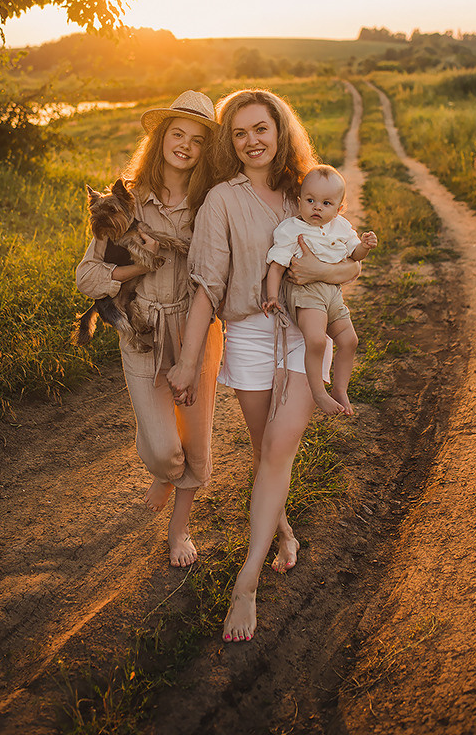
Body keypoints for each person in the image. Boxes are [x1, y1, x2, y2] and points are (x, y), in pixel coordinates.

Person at [166, 89, 361, 641]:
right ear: (230, 143)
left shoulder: (306, 187)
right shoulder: (221, 202)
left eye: (262, 129)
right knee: (263, 451)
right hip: (249, 334)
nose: (252, 141)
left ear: (280, 132)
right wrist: (186, 363)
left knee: (278, 448)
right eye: (240, 133)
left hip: (304, 329)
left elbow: (347, 265)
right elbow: (205, 288)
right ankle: (284, 534)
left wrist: (320, 276)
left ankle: (245, 584)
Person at [75, 91, 223, 568]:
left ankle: (179, 531)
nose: (184, 146)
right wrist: (138, 269)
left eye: (197, 140)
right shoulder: (126, 198)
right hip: (142, 329)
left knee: (195, 445)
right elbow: (86, 277)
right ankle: (163, 466)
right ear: (161, 138)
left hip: (195, 330)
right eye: (176, 134)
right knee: (165, 450)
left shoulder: (211, 203)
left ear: (206, 151)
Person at [263, 164, 377, 417]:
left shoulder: (342, 227)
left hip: (333, 293)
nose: (316, 207)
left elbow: (355, 254)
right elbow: (277, 266)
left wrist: (366, 247)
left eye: (326, 203)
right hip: (305, 292)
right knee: (315, 340)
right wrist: (272, 296)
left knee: (349, 340)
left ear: (339, 208)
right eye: (310, 200)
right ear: (299, 200)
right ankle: (318, 392)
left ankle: (340, 389)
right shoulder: (291, 229)